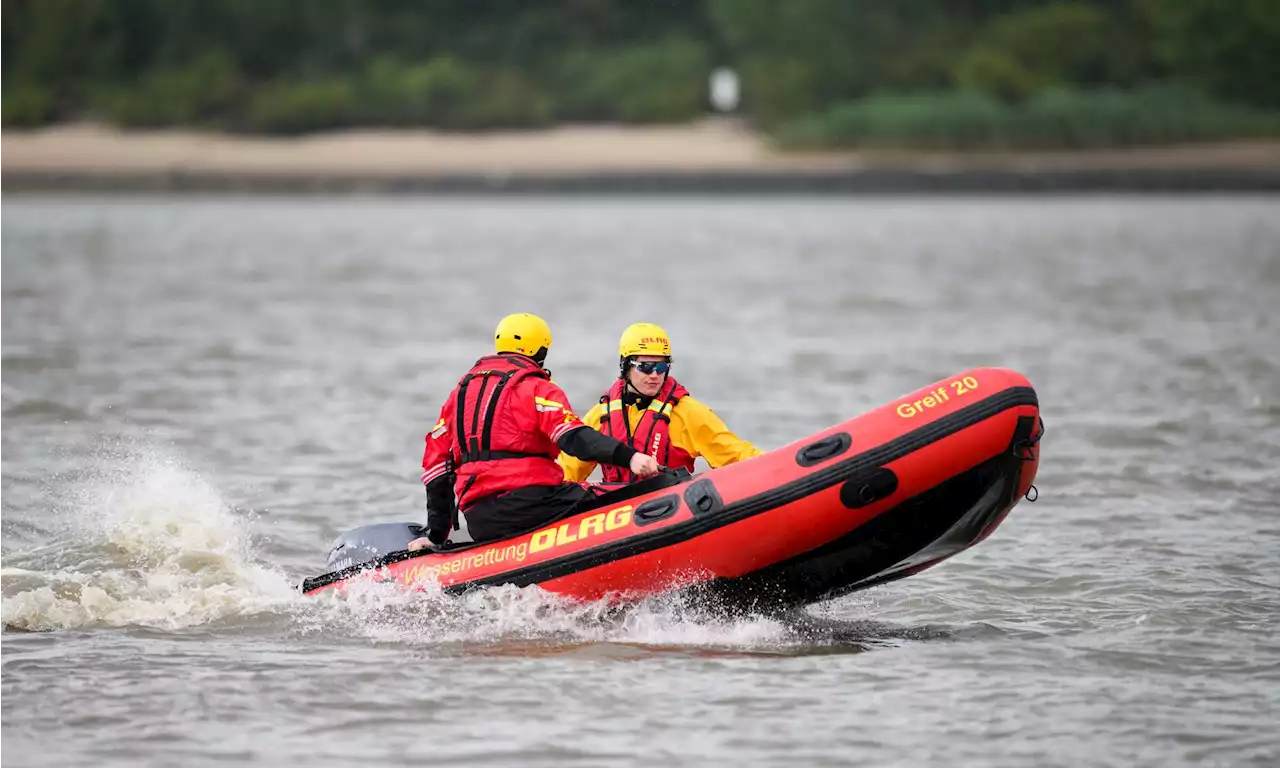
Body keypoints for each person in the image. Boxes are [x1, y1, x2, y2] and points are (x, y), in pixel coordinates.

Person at [408, 313, 660, 551]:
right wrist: (630, 457)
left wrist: (437, 535)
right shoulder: (536, 388)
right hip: (534, 504)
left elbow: (435, 469)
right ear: (541, 351)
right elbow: (573, 437)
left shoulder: (458, 396)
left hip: (479, 518)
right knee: (627, 493)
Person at [559, 322, 763, 486]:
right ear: (626, 367)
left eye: (661, 366)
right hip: (617, 515)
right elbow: (568, 471)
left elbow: (735, 453)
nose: (655, 375)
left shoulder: (687, 412)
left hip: (671, 510)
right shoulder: (601, 416)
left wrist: (782, 466)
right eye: (646, 367)